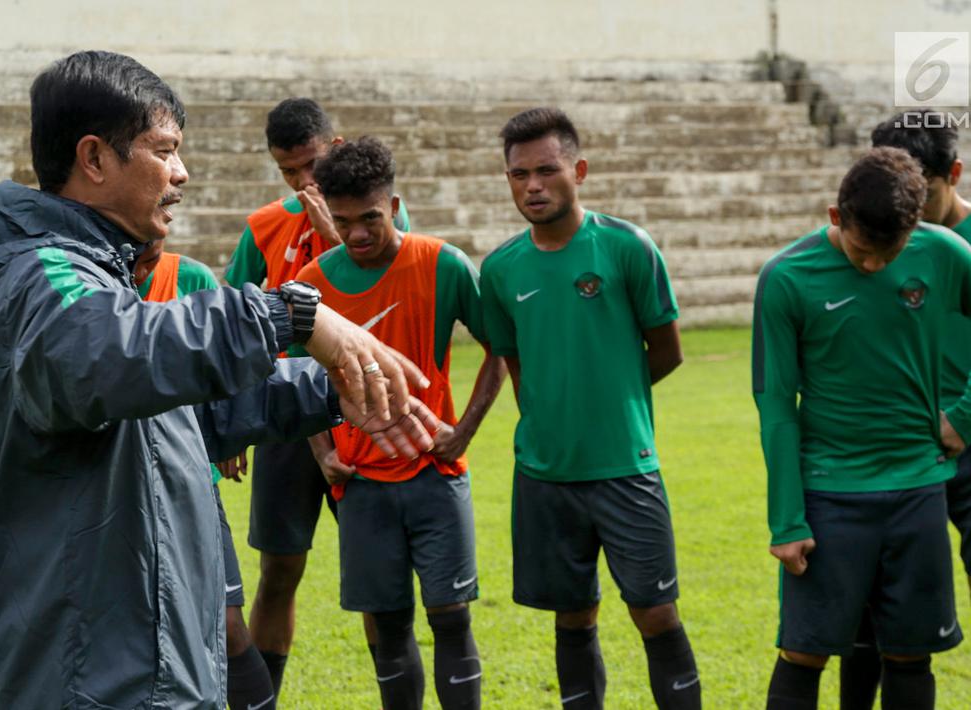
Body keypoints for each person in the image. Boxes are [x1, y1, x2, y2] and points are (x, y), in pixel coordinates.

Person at [0, 50, 439, 709]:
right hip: (96, 680)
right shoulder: (41, 274)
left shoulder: (94, 276)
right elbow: (103, 362)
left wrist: (329, 392)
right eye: (163, 150)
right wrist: (289, 312)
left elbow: (171, 419)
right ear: (94, 158)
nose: (181, 173)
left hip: (144, 665)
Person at [480, 108, 696, 710]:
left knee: (656, 614)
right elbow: (515, 362)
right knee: (572, 617)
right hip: (545, 477)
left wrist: (610, 398)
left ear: (578, 169)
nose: (533, 186)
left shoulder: (627, 247)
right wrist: (552, 417)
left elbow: (668, 350)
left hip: (626, 467)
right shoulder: (499, 269)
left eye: (546, 170)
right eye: (518, 175)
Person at [754, 147, 967, 710]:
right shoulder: (786, 278)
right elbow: (775, 404)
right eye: (860, 250)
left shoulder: (944, 253)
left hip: (918, 491)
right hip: (830, 496)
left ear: (915, 225)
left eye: (888, 253)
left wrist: (965, 415)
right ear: (834, 217)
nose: (873, 266)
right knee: (803, 652)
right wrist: (786, 518)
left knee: (909, 653)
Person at [296, 136, 504, 710]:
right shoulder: (312, 283)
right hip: (359, 484)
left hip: (434, 474)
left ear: (393, 205)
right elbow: (294, 377)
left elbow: (500, 349)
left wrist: (461, 432)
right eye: (342, 222)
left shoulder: (441, 263)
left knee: (451, 617)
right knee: (387, 627)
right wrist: (320, 451)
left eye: (370, 218)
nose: (357, 234)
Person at [225, 98, 411, 693]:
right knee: (279, 570)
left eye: (309, 166)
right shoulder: (263, 227)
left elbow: (393, 301)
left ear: (333, 148)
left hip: (361, 416)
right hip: (286, 419)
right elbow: (232, 324)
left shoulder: (382, 223)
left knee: (377, 579)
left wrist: (334, 231)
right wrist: (230, 425)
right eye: (288, 172)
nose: (303, 182)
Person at [835, 112, 971, 710]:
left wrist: (962, 419)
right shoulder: (873, 240)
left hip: (965, 451)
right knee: (864, 611)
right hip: (887, 457)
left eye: (924, 192)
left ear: (954, 174)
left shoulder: (955, 251)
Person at [133, 241, 277, 710]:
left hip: (190, 481)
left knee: (227, 625)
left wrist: (229, 434)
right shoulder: (87, 284)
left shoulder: (191, 278)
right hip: (115, 491)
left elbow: (223, 368)